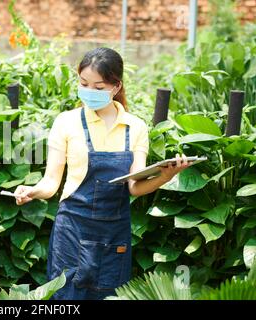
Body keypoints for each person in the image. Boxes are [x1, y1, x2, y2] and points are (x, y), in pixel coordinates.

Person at [13, 47, 192, 300]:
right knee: (66, 298)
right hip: (72, 230)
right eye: (84, 84)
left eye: (98, 88)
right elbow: (51, 182)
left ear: (116, 87)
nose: (89, 92)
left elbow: (134, 187)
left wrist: (165, 176)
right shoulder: (66, 122)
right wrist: (32, 191)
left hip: (114, 234)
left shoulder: (135, 127)